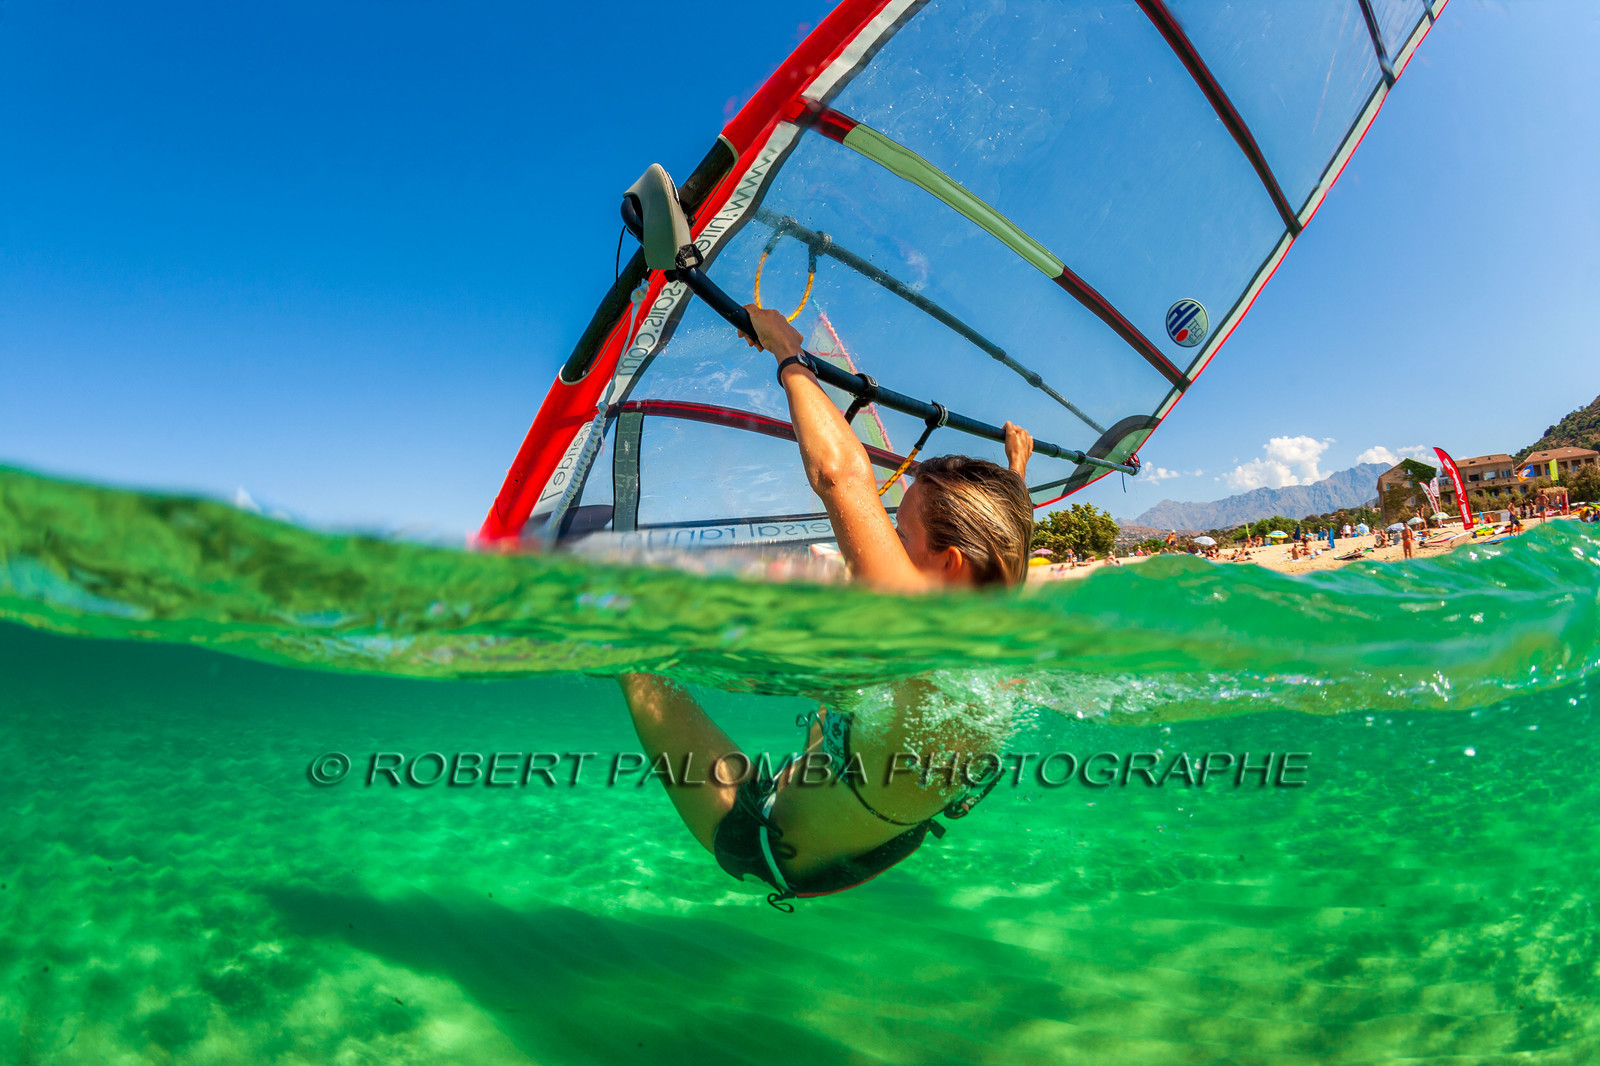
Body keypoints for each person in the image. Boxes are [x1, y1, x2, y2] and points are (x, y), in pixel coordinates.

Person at [618, 306, 1034, 909]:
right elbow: (1007, 552)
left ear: (949, 564)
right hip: (884, 834)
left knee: (635, 661)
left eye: (904, 535)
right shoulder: (1005, 625)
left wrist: (788, 351)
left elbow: (843, 480)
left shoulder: (918, 636)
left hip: (763, 840)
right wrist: (1016, 475)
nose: (888, 543)